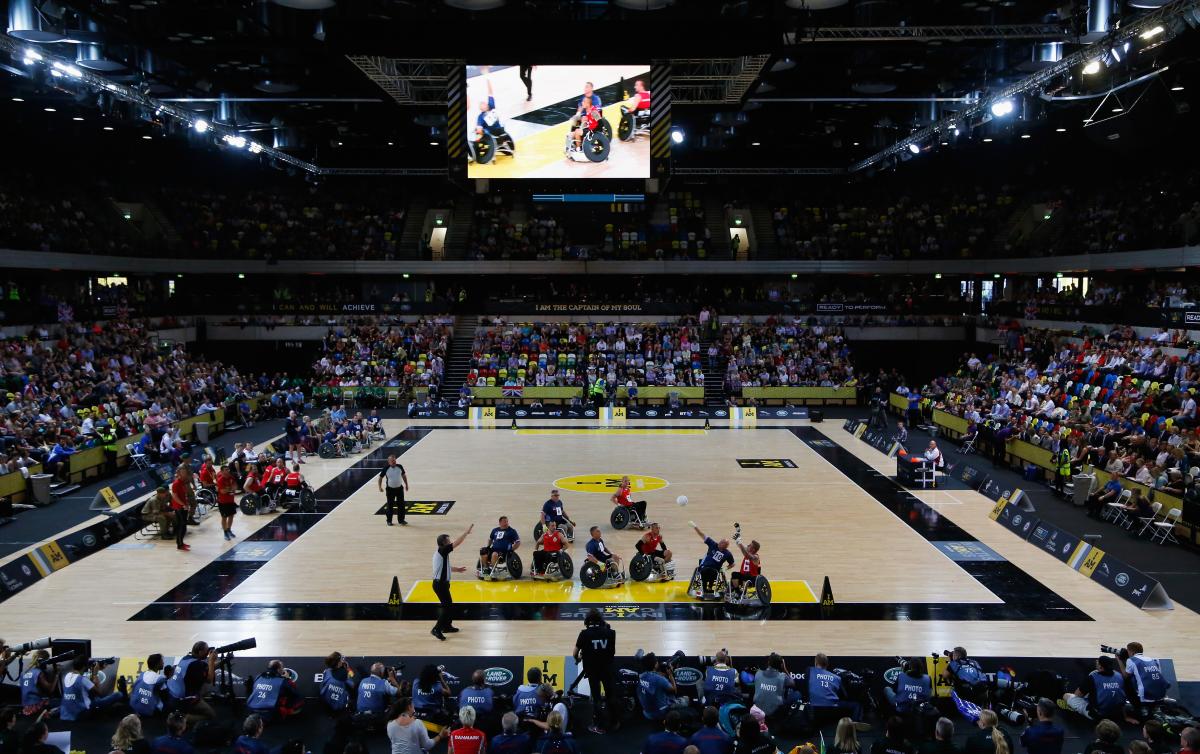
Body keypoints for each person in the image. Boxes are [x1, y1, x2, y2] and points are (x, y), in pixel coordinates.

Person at [574, 608, 618, 734]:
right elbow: (612, 652)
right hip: (607, 668)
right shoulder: (611, 633)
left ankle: (599, 726)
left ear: (587, 621)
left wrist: (579, 658)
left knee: (597, 697)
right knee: (610, 695)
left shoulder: (584, 634)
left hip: (592, 670)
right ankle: (615, 722)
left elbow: (575, 653)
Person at [432, 524, 475, 640]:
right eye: (448, 541)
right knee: (447, 607)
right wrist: (466, 533)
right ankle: (436, 628)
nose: (450, 542)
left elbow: (446, 567)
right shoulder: (443, 550)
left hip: (441, 585)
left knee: (449, 606)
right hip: (440, 585)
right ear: (444, 543)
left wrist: (457, 569)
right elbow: (457, 543)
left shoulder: (440, 553)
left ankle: (447, 626)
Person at [59, 654, 125, 721]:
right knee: (118, 694)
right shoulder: (83, 680)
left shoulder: (67, 676)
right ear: (84, 667)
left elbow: (88, 687)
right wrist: (95, 674)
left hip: (66, 714)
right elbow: (99, 693)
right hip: (81, 713)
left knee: (93, 697)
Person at [165, 641, 217, 724]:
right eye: (206, 650)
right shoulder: (196, 665)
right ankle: (184, 718)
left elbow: (205, 668)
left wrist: (214, 664)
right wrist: (211, 661)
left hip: (172, 694)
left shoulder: (186, 658)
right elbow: (209, 679)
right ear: (200, 652)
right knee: (211, 715)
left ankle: (186, 711)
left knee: (202, 686)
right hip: (183, 700)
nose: (208, 653)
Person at [1063, 656, 1127, 722]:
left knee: (1067, 696)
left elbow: (1077, 695)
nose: (1096, 662)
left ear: (1100, 667)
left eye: (1098, 662)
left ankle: (1071, 708)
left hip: (1098, 716)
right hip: (1116, 715)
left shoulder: (1093, 677)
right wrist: (1125, 717)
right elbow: (1122, 697)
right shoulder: (1119, 675)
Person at [1120, 643, 1170, 722]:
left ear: (1132, 652)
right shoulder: (1152, 659)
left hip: (1146, 695)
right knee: (1137, 676)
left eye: (1128, 651)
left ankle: (1138, 708)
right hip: (1161, 693)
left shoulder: (1131, 660)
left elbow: (1125, 676)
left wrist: (1119, 660)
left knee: (1127, 681)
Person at [808, 653, 860, 721]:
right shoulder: (837, 678)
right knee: (857, 705)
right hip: (832, 709)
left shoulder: (809, 671)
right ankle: (853, 727)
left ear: (815, 663)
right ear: (827, 664)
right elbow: (845, 696)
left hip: (814, 708)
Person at [689, 522, 735, 596]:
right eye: (721, 541)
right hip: (705, 567)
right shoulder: (713, 544)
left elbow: (732, 564)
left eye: (723, 543)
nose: (720, 542)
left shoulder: (727, 553)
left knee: (713, 572)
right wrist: (695, 526)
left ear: (726, 546)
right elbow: (702, 535)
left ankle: (710, 588)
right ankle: (704, 589)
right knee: (705, 572)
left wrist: (725, 569)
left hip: (715, 570)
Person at [637, 653, 687, 722]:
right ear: (655, 665)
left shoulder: (641, 676)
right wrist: (671, 675)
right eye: (656, 661)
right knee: (686, 699)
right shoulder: (659, 679)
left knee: (661, 691)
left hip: (646, 713)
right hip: (660, 714)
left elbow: (654, 677)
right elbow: (674, 690)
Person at [752, 654, 795, 722]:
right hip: (775, 711)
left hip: (758, 708)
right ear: (781, 665)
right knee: (796, 694)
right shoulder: (783, 677)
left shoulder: (758, 673)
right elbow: (793, 683)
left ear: (768, 662)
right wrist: (785, 669)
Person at [480, 516, 521, 580]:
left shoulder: (512, 531)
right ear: (500, 522)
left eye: (507, 521)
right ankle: (486, 568)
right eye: (504, 521)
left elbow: (518, 542)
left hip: (504, 552)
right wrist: (488, 546)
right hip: (493, 549)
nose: (506, 523)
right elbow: (490, 539)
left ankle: (494, 570)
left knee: (494, 554)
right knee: (483, 550)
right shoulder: (495, 530)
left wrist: (512, 550)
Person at [379, 454, 409, 526]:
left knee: (401, 505)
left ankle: (401, 520)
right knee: (390, 505)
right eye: (392, 461)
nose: (394, 462)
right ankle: (389, 521)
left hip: (399, 489)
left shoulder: (400, 467)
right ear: (389, 462)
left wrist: (406, 484)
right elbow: (380, 478)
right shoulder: (386, 468)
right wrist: (380, 487)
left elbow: (404, 476)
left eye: (395, 460)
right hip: (390, 490)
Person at [170, 465, 191, 551]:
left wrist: (186, 503)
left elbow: (184, 495)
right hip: (179, 507)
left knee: (183, 526)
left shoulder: (183, 482)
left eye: (185, 472)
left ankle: (181, 543)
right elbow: (175, 496)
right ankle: (179, 544)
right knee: (182, 526)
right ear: (179, 473)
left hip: (183, 506)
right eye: (183, 473)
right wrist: (183, 505)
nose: (185, 474)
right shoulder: (176, 483)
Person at [215, 463, 238, 541]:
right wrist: (231, 489)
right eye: (226, 470)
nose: (228, 470)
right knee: (224, 517)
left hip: (231, 500)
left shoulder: (231, 477)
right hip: (223, 502)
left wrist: (232, 488)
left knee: (231, 516)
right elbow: (222, 491)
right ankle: (225, 532)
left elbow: (235, 486)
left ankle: (229, 530)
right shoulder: (220, 480)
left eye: (228, 469)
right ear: (222, 472)